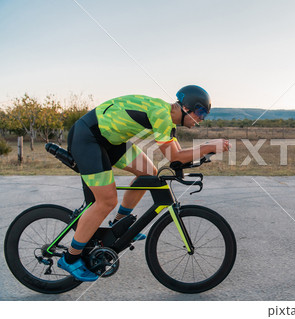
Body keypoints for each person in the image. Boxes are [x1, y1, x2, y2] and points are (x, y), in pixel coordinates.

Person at [58, 85, 230, 281]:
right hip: (89, 137)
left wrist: (207, 152)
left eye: (204, 115)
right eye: (200, 112)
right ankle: (70, 258)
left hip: (110, 140)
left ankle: (119, 224)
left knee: (149, 173)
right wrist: (208, 145)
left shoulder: (167, 121)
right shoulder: (161, 114)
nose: (201, 119)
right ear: (186, 108)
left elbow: (177, 160)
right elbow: (174, 155)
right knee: (106, 201)